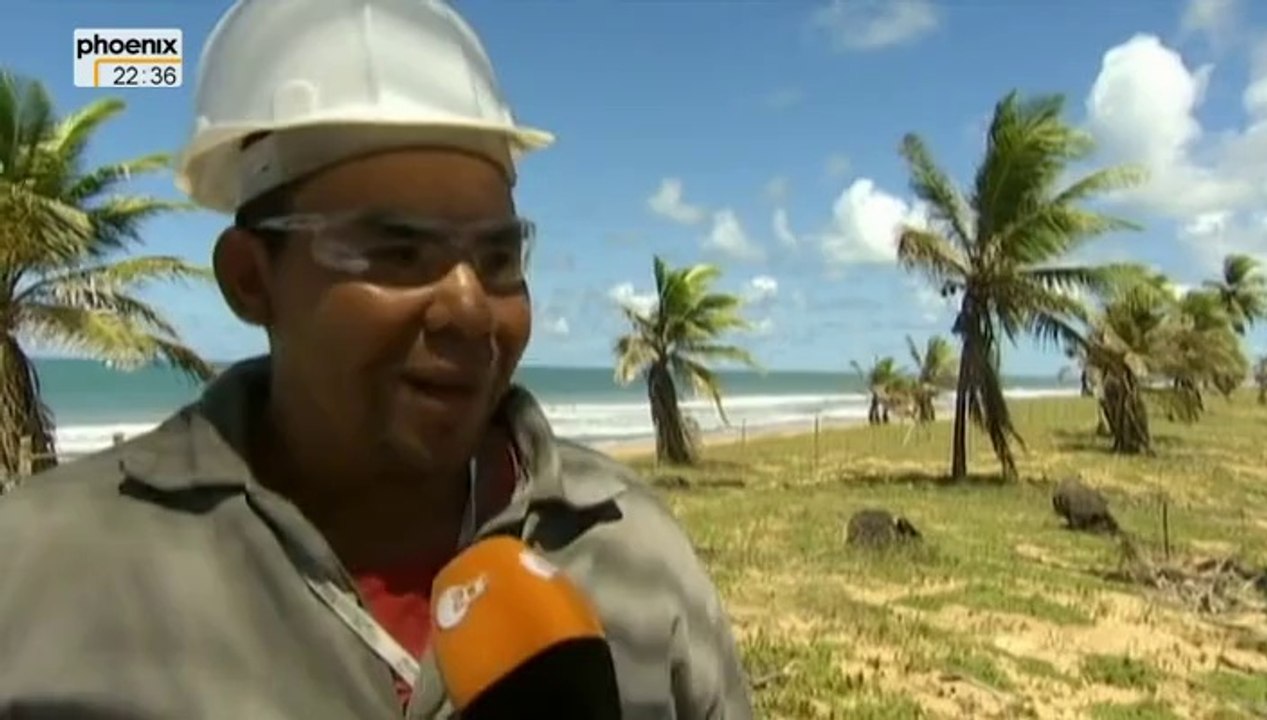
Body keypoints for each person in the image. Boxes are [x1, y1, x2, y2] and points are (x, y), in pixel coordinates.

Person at [0, 1, 755, 718]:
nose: (468, 308)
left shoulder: (630, 548)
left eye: (498, 256)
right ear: (250, 279)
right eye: (397, 252)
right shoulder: (43, 569)